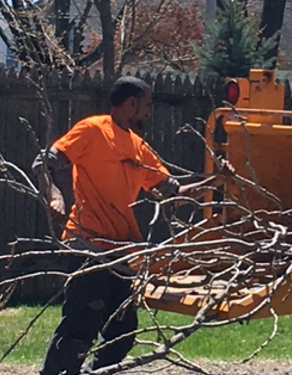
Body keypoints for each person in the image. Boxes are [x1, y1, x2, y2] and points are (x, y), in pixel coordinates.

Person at [32, 76, 231, 375]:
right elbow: (43, 164)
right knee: (81, 324)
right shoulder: (92, 129)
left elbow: (173, 195)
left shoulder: (139, 148)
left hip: (123, 253)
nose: (148, 112)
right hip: (87, 245)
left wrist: (216, 181)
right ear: (132, 103)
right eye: (146, 105)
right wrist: (54, 195)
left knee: (123, 330)